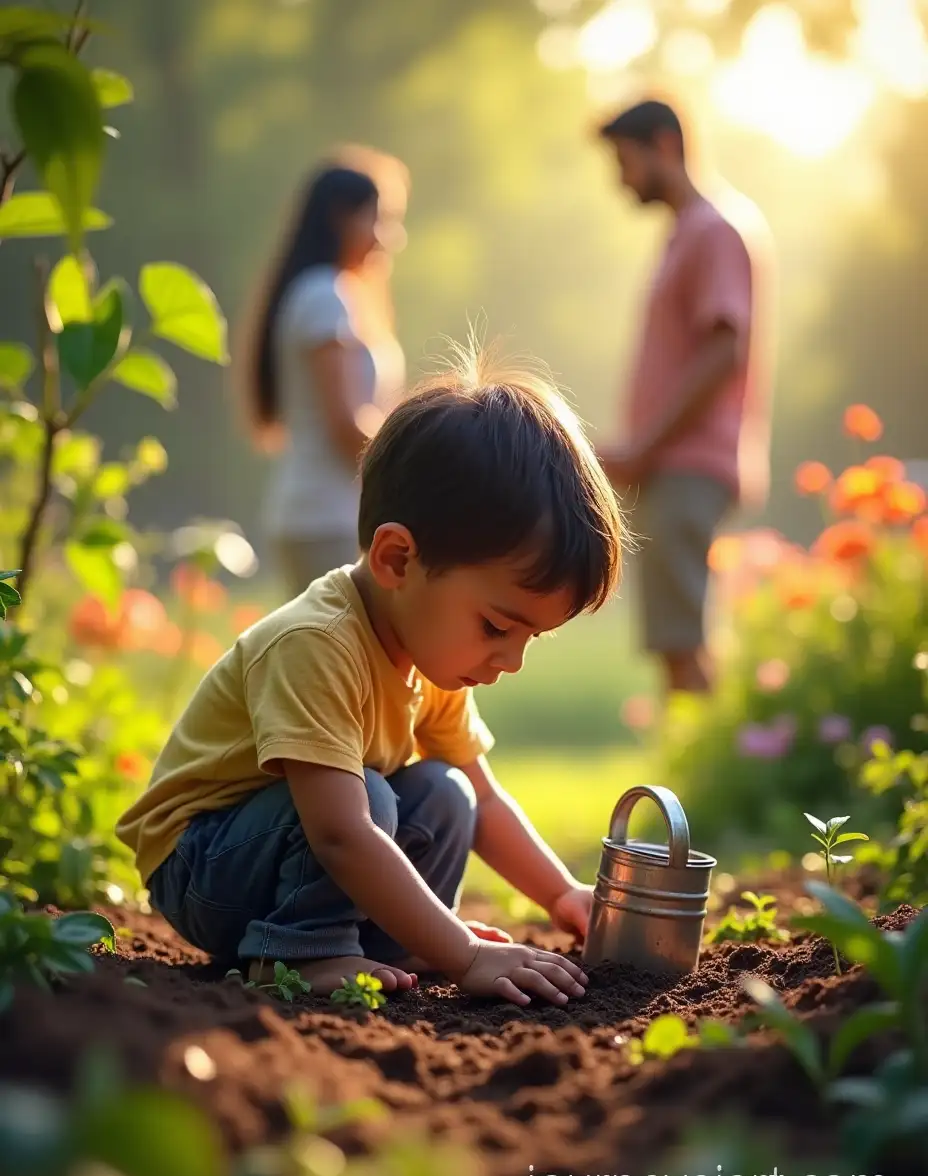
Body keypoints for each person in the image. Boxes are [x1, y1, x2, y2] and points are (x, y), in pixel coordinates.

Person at [115, 352, 628, 1005]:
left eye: (532, 636)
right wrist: (465, 953)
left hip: (288, 846)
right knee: (367, 801)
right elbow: (339, 833)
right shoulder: (316, 643)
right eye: (498, 627)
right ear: (396, 559)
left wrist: (562, 894)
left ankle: (387, 942)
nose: (511, 660)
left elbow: (487, 803)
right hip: (203, 863)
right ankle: (298, 952)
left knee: (448, 794)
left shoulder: (435, 660)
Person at [596, 100, 774, 696]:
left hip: (687, 464)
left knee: (681, 644)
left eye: (625, 160)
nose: (620, 179)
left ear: (665, 145)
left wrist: (644, 447)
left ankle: (701, 783)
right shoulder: (691, 232)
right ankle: (701, 774)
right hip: (675, 465)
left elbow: (723, 350)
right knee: (678, 640)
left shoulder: (713, 229)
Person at [237, 151, 408, 597]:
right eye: (380, 218)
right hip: (326, 518)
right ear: (341, 217)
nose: (391, 238)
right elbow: (345, 425)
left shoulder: (333, 295)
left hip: (329, 515)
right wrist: (424, 458)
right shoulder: (324, 297)